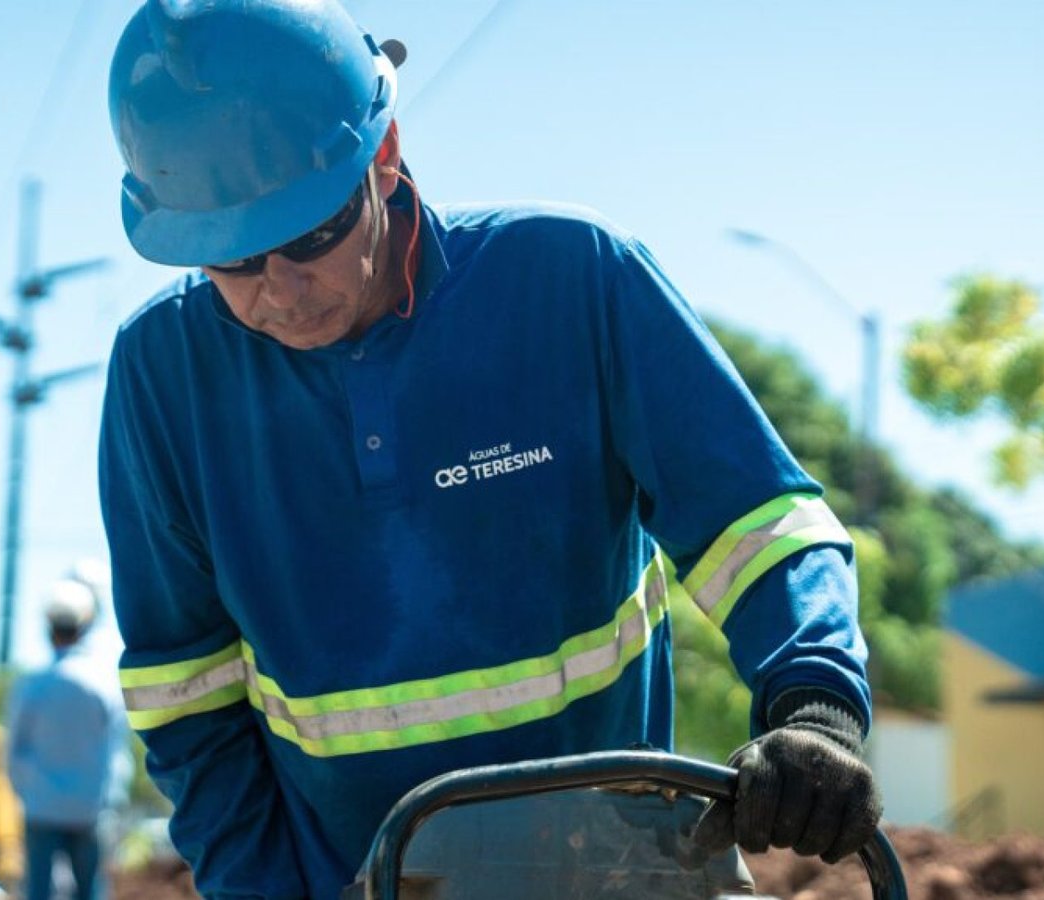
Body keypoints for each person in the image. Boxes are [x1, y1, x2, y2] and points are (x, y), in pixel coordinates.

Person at [97, 2, 882, 897]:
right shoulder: (162, 374)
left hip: (621, 867)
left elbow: (759, 523)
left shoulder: (571, 278)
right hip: (358, 882)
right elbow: (185, 695)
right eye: (232, 259)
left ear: (383, 156)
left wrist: (813, 702)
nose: (279, 290)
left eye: (310, 236)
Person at [5, 577, 131, 900]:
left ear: (49, 630)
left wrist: (29, 792)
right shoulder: (103, 685)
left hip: (41, 808)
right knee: (89, 890)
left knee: (38, 890)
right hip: (90, 808)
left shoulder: (32, 686)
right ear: (86, 627)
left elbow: (13, 751)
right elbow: (117, 750)